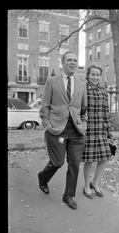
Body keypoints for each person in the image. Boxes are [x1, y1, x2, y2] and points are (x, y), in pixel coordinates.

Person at [38, 51, 88, 210]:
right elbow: (44, 106)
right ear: (63, 63)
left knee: (74, 163)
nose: (73, 63)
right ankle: (43, 177)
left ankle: (68, 195)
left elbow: (84, 108)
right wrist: (47, 124)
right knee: (57, 162)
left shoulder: (82, 84)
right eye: (69, 60)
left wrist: (84, 123)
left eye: (75, 60)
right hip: (56, 128)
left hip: (76, 130)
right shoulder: (52, 81)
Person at [81, 63, 112, 199]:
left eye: (97, 75)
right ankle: (86, 185)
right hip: (88, 129)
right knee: (89, 160)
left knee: (105, 157)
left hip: (101, 129)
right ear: (88, 75)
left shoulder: (103, 91)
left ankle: (95, 182)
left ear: (100, 76)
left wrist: (108, 130)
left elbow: (106, 111)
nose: (95, 77)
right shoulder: (83, 89)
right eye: (92, 74)